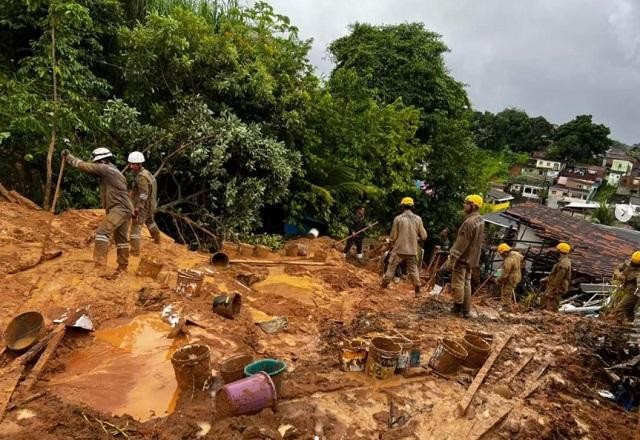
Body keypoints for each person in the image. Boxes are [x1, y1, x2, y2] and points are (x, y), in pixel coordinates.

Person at [61, 148, 133, 273]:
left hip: (120, 208)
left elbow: (83, 166)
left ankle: (99, 266)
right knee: (121, 240)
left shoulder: (105, 169)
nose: (96, 164)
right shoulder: (113, 170)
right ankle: (122, 267)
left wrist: (69, 157)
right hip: (125, 208)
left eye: (97, 162)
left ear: (102, 160)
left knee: (102, 232)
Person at [445, 194, 485, 318]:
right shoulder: (480, 220)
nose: (464, 205)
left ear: (473, 206)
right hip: (472, 259)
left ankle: (457, 308)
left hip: (463, 258)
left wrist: (452, 259)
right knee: (466, 282)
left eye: (466, 203)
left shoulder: (469, 222)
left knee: (458, 283)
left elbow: (461, 243)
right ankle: (466, 311)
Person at [382, 197, 428, 295]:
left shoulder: (398, 218)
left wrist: (390, 242)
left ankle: (384, 285)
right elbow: (424, 236)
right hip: (412, 250)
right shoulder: (418, 219)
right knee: (414, 270)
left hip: (399, 249)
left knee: (391, 267)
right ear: (412, 206)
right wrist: (416, 238)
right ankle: (418, 290)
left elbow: (393, 236)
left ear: (402, 206)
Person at [127, 151, 161, 256]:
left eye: (133, 164)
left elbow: (143, 194)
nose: (131, 166)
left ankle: (134, 252)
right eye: (130, 164)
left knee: (135, 227)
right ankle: (157, 241)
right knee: (151, 222)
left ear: (139, 164)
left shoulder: (141, 177)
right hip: (151, 205)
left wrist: (137, 208)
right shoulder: (147, 173)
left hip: (143, 206)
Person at [541, 242, 572, 311]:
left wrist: (552, 289)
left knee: (552, 305)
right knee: (546, 302)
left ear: (560, 251)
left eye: (557, 250)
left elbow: (559, 278)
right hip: (554, 286)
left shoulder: (564, 263)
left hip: (557, 288)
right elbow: (555, 275)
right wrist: (547, 279)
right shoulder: (562, 261)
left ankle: (550, 318)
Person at [610, 251, 640, 321]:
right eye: (633, 263)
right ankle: (629, 326)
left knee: (619, 309)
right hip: (627, 290)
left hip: (634, 293)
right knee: (629, 312)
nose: (633, 265)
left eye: (636, 264)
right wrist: (619, 275)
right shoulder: (627, 264)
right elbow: (616, 268)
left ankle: (611, 322)